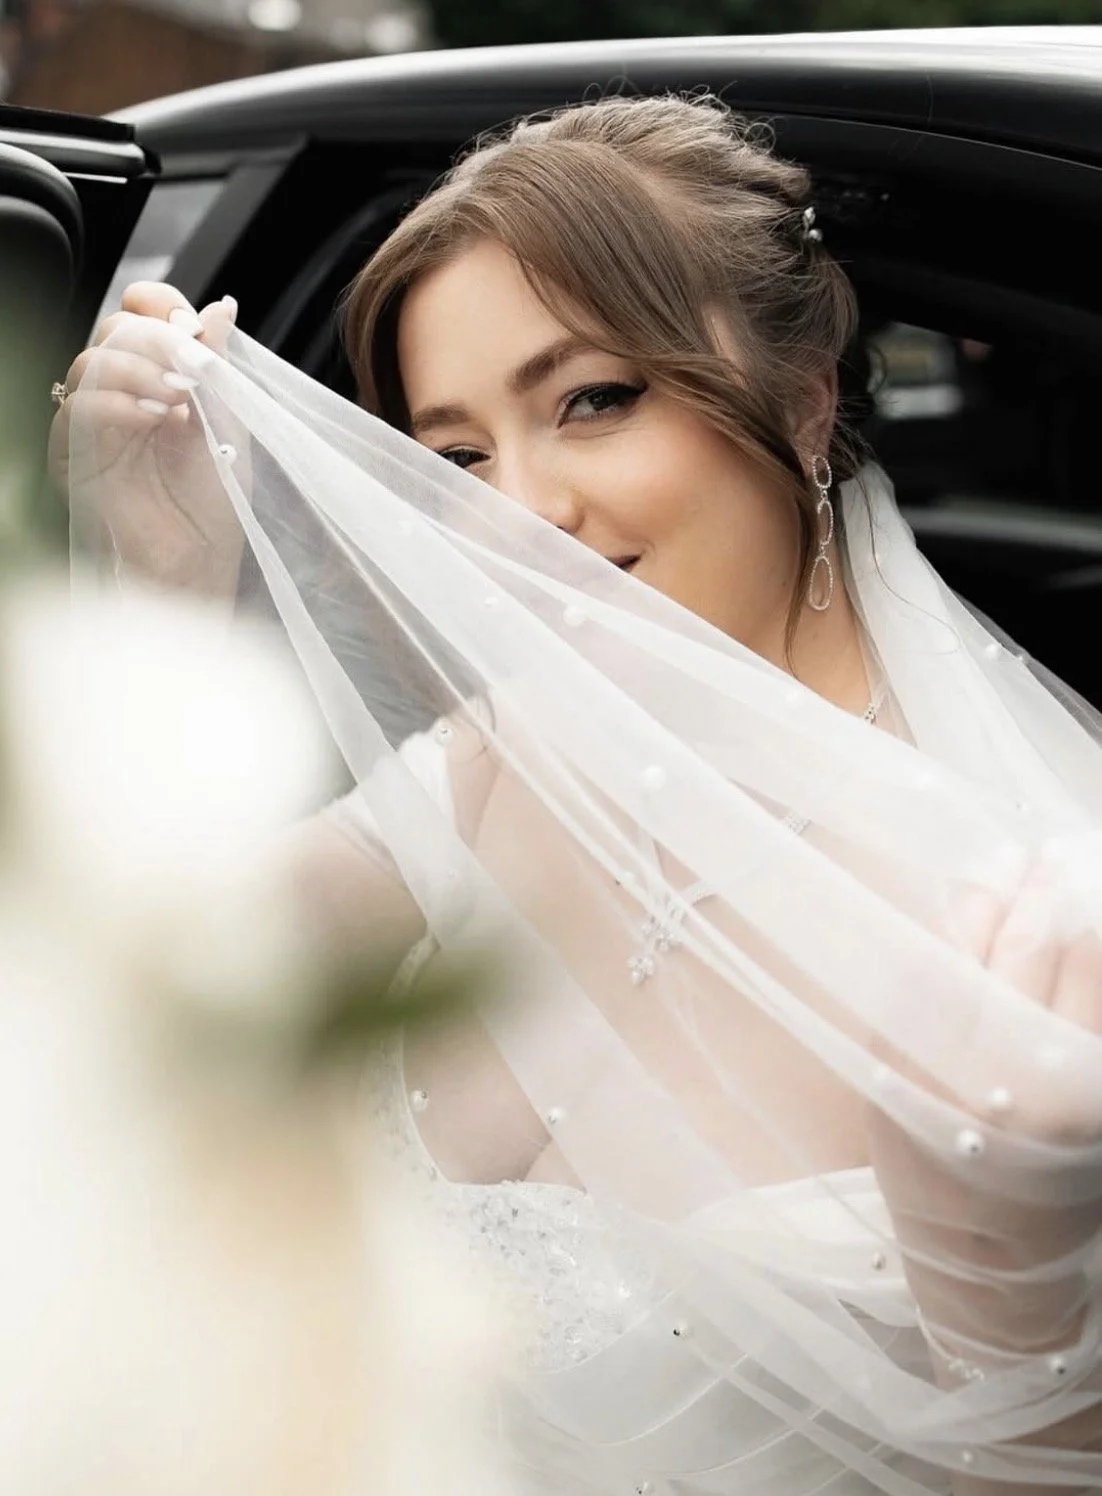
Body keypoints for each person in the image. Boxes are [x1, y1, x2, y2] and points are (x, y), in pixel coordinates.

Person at [52, 94, 1102, 1496]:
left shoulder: (1025, 903)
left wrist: (1014, 1306)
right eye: (460, 457)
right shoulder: (498, 756)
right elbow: (132, 1020)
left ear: (802, 406)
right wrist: (158, 592)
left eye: (592, 401)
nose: (521, 517)